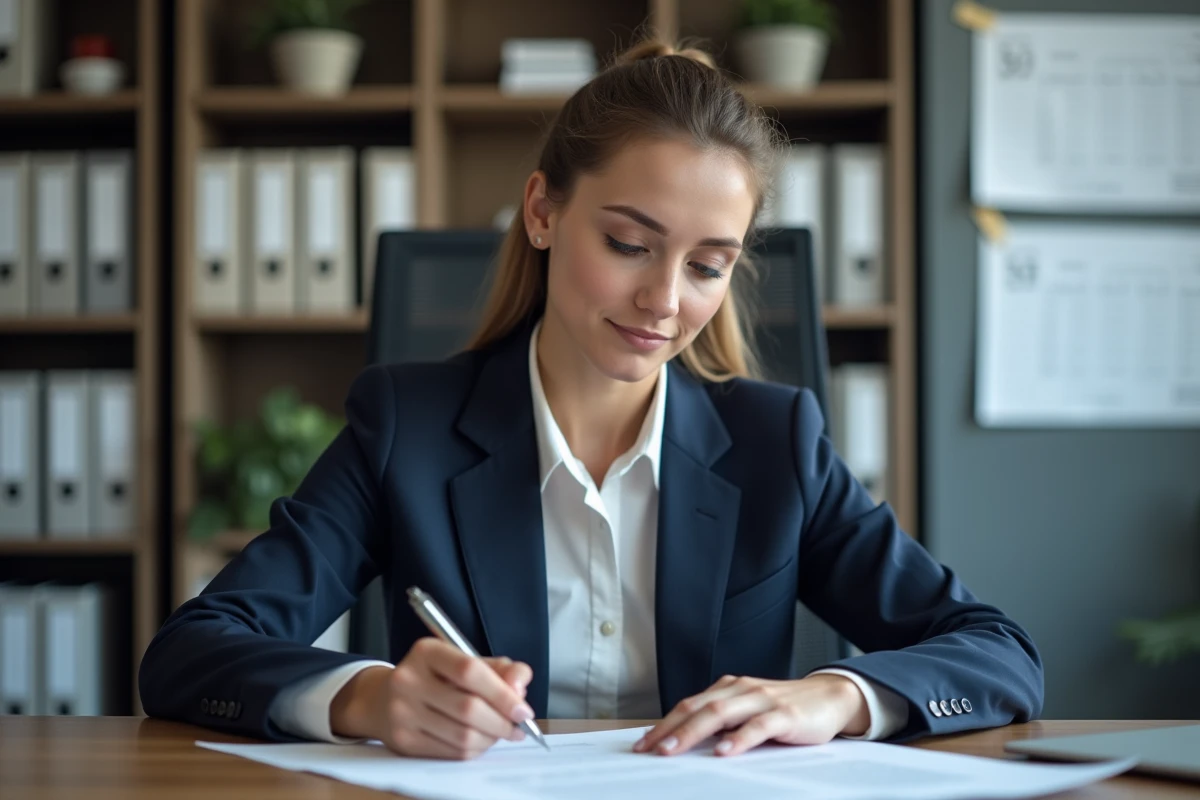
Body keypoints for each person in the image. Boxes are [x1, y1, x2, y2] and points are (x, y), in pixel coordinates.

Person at [140, 38, 1043, 761]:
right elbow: (191, 654)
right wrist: (371, 696)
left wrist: (835, 695)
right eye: (628, 243)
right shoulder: (405, 430)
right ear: (542, 212)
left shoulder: (778, 445)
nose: (664, 300)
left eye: (706, 266)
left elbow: (998, 654)